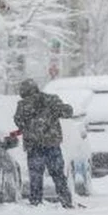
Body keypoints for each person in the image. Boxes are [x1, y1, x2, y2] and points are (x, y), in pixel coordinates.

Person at [13, 78, 75, 208]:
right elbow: (67, 112)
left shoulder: (23, 105)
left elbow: (18, 122)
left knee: (36, 176)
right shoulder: (51, 100)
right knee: (58, 174)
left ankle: (36, 202)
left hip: (34, 146)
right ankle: (66, 201)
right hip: (52, 144)